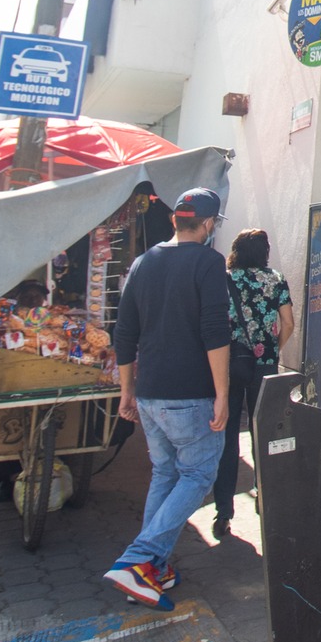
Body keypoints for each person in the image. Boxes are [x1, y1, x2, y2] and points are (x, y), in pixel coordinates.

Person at [105, 188, 232, 612]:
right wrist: (223, 394)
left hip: (149, 391)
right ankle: (138, 559)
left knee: (165, 473)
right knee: (197, 474)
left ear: (176, 219)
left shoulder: (144, 262)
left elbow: (124, 332)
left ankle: (151, 567)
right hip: (189, 391)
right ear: (210, 224)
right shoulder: (209, 262)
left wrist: (126, 390)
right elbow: (215, 331)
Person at [214, 229, 293, 539]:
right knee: (265, 433)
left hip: (230, 364)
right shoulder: (275, 279)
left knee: (228, 433)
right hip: (264, 365)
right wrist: (273, 349)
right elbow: (288, 322)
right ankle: (266, 497)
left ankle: (224, 510)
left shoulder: (225, 278)